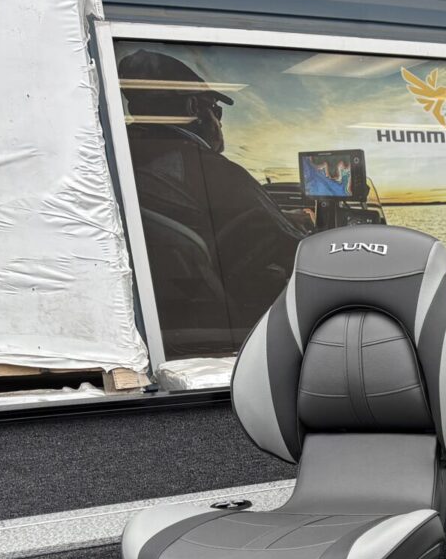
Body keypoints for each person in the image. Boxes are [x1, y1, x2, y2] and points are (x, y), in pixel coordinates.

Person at [117, 49, 309, 356]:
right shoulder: (212, 171)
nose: (219, 122)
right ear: (194, 107)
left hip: (165, 309)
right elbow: (295, 250)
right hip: (228, 325)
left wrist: (280, 217)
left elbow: (224, 219)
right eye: (216, 110)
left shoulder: (122, 159)